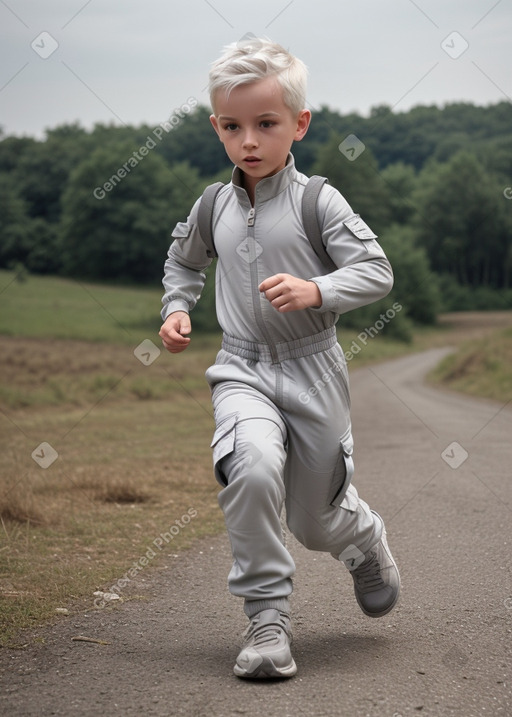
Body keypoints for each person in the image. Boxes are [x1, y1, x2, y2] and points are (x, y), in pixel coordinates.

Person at [159, 37, 400, 680]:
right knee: (252, 466)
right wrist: (175, 309)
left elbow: (376, 272)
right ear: (216, 127)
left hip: (312, 365)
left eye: (266, 124)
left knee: (314, 521)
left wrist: (317, 290)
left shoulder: (319, 200)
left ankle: (362, 537)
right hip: (239, 367)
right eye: (233, 127)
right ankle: (267, 622)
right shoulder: (212, 205)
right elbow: (183, 263)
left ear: (299, 124)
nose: (250, 141)